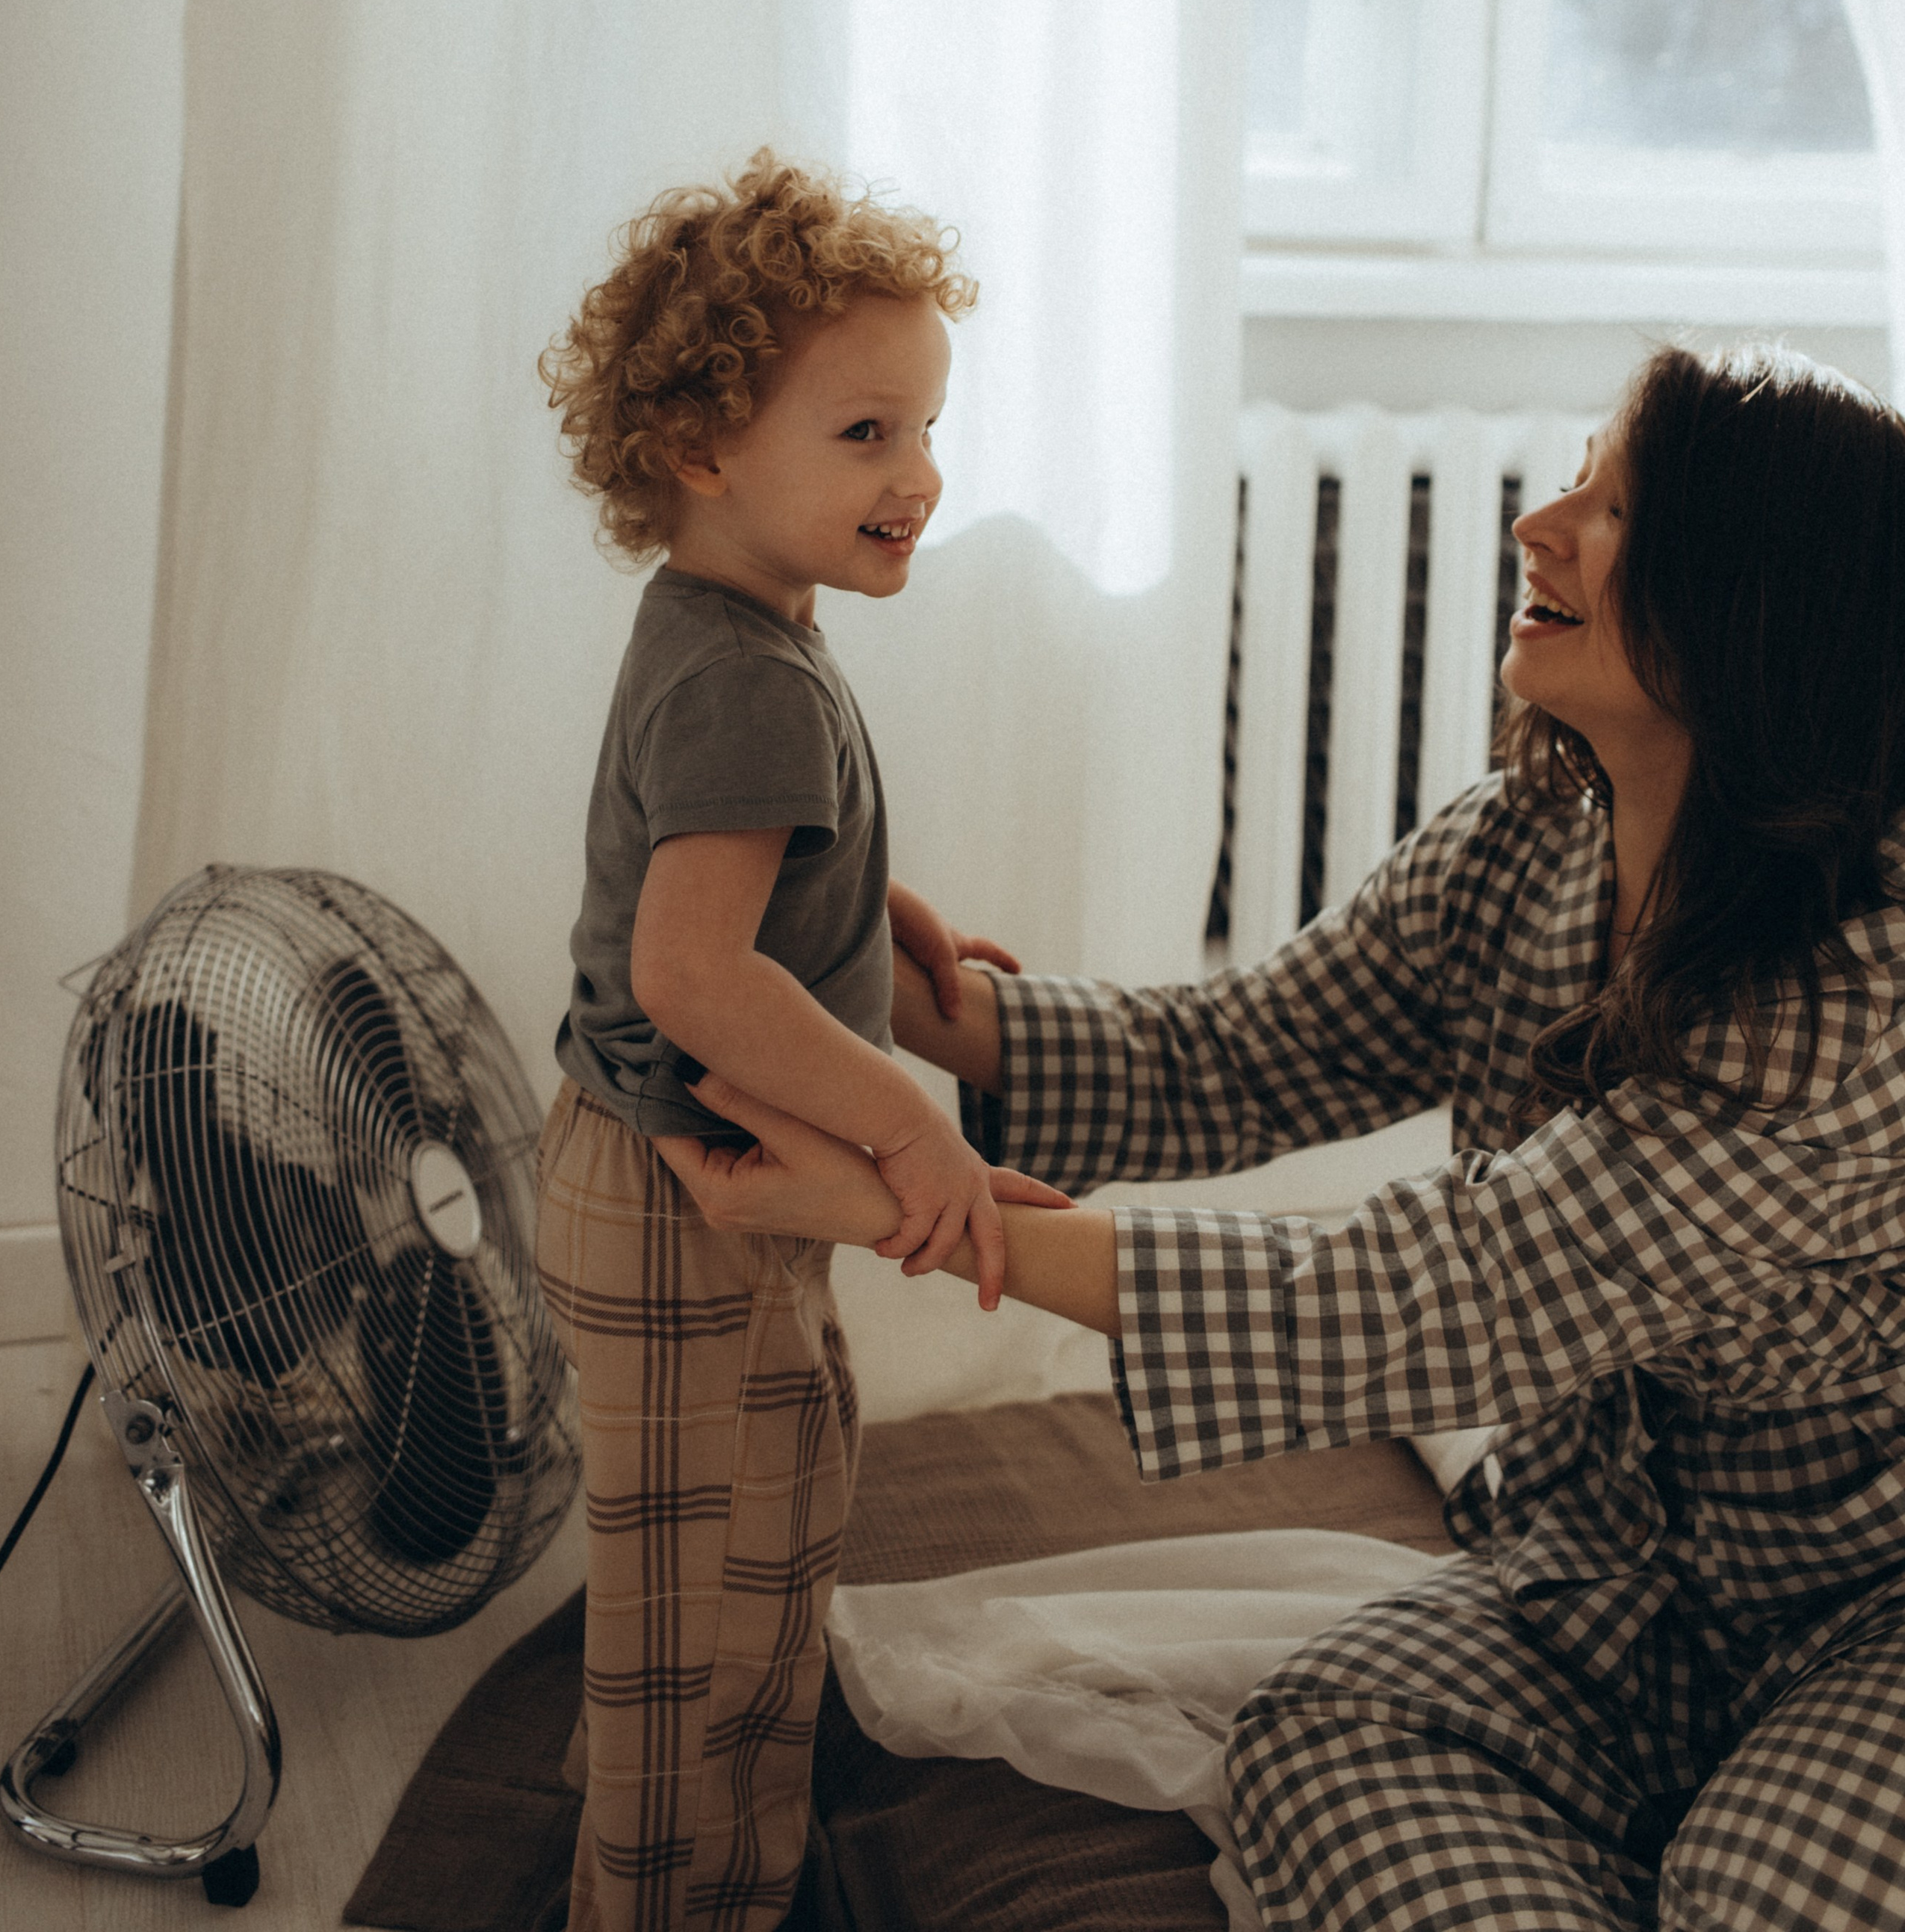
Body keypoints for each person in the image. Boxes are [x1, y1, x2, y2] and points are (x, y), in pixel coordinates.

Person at [669, 341, 1905, 1932]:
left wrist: (918, 1202)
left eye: (1615, 506)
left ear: (1756, 602)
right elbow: (1244, 1056)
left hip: (1868, 1618)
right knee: (1319, 1734)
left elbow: (1416, 1295)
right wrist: (930, 1015)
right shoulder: (1531, 835)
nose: (1540, 524)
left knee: (1753, 1892)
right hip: (1603, 1592)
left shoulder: (1854, 999)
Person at [533, 152, 1062, 1932]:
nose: (915, 477)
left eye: (921, 429)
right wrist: (912, 1129)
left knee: (757, 1505)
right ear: (700, 448)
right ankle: (670, 1892)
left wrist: (874, 910)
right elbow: (693, 972)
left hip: (667, 1167)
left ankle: (666, 1824)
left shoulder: (734, 624)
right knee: (711, 1590)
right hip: (685, 1183)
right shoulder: (745, 668)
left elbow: (736, 880)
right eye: (863, 437)